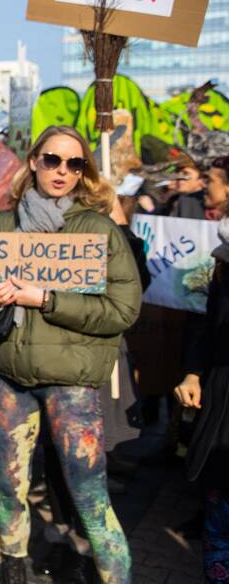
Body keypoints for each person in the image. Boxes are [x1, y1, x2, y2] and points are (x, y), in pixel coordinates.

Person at [0, 125, 141, 584]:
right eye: (52, 160)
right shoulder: (2, 226)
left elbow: (123, 309)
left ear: (83, 169)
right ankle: (13, 567)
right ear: (33, 162)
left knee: (89, 494)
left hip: (72, 382)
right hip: (10, 375)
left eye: (74, 163)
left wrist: (46, 298)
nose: (62, 171)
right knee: (10, 484)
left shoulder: (97, 229)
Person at [176, 207, 229, 583]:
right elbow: (208, 325)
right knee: (219, 522)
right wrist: (193, 373)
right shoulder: (223, 271)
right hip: (222, 410)